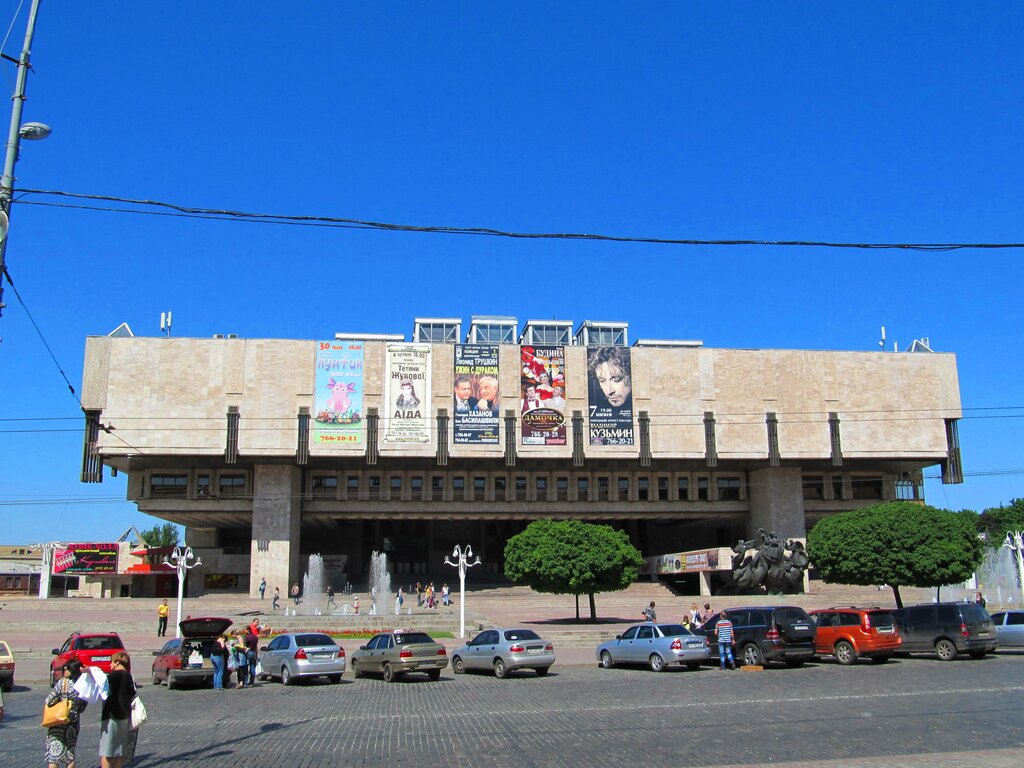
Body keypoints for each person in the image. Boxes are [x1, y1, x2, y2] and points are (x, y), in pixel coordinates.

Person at [45, 659, 88, 768]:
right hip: (73, 723)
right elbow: (82, 708)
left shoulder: (63, 682)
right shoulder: (83, 686)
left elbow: (49, 701)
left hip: (59, 722)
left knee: (54, 755)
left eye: (66, 668)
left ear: (71, 670)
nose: (64, 671)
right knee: (70, 754)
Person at [99, 650, 135, 768]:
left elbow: (103, 691)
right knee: (119, 751)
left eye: (111, 661)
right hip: (124, 716)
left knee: (107, 752)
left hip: (111, 716)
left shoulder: (112, 676)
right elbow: (131, 694)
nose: (110, 664)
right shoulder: (129, 677)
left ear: (117, 662)